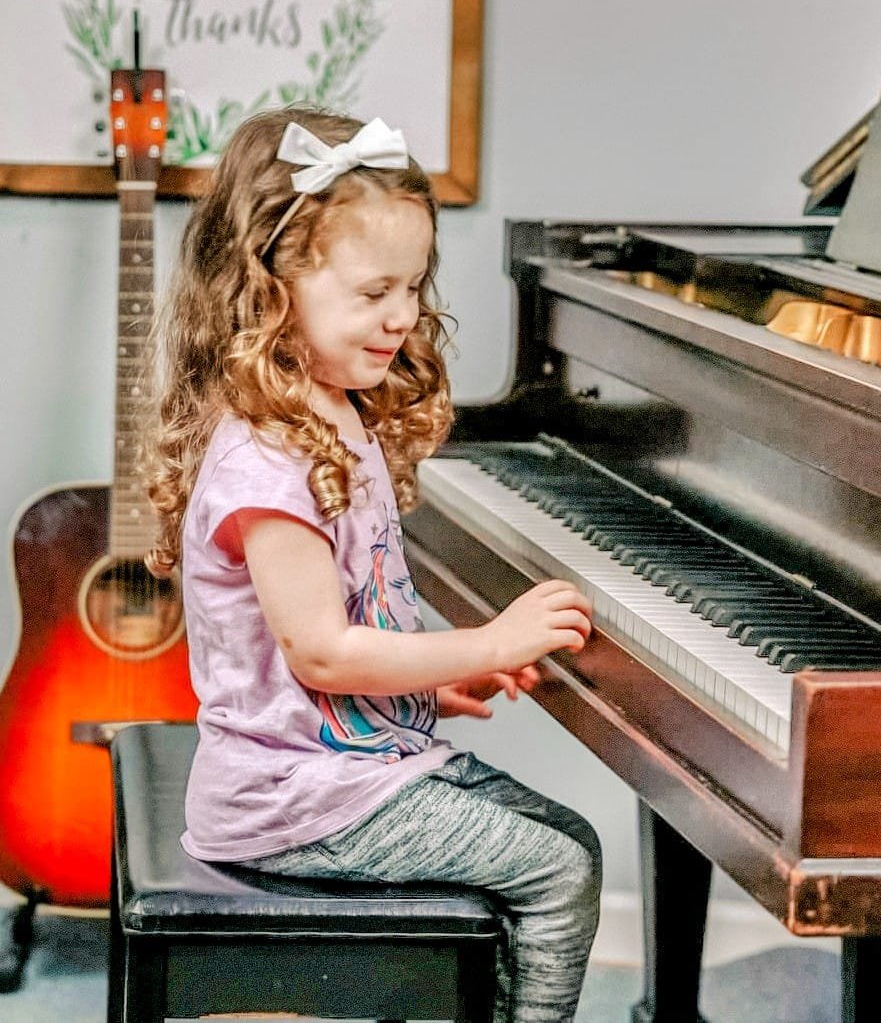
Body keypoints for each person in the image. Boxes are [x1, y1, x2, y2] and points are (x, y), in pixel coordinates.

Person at [143, 106, 601, 1023]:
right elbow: (321, 653)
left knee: (567, 836)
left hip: (335, 770)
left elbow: (324, 651)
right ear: (270, 287)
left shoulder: (328, 406)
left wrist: (426, 691)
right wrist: (481, 642)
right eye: (372, 292)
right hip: (293, 803)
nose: (401, 316)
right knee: (560, 867)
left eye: (413, 287)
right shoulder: (265, 461)